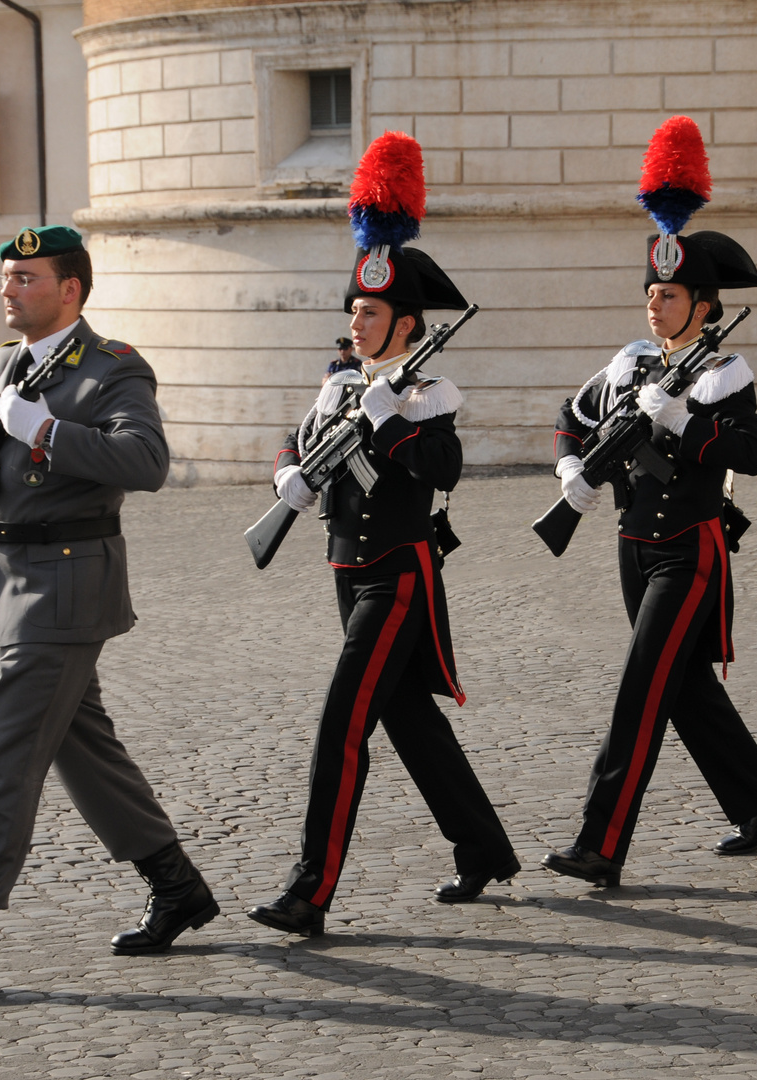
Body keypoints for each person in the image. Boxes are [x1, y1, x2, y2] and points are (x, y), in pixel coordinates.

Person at [0, 224, 216, 996]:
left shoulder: (112, 369)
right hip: (12, 574)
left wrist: (49, 430)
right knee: (80, 744)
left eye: (26, 278)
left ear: (71, 290)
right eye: (6, 277)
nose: (8, 289)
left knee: (8, 751)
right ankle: (177, 883)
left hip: (67, 579)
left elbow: (146, 463)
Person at [247, 133, 518, 938]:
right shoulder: (340, 384)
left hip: (396, 574)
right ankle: (484, 848)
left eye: (370, 313)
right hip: (343, 565)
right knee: (410, 721)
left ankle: (310, 890)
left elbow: (444, 468)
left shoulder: (425, 392)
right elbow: (295, 440)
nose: (357, 324)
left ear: (406, 323)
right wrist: (286, 478)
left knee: (344, 724)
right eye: (354, 311)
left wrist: (388, 418)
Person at [539, 118, 757, 886]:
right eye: (651, 292)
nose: (654, 306)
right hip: (631, 543)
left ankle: (601, 844)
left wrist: (684, 422)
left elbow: (751, 453)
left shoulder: (724, 373)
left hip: (689, 546)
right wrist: (570, 473)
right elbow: (569, 419)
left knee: (641, 688)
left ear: (704, 306)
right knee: (680, 686)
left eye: (670, 295)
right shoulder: (630, 364)